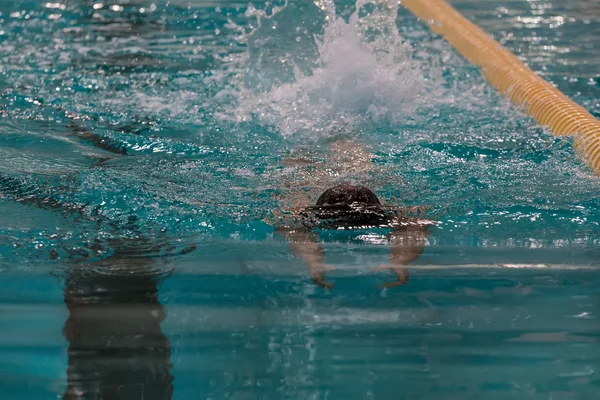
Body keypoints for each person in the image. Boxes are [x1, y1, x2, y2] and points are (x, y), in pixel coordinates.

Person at [274, 140, 434, 289]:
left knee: (301, 162)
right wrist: (400, 262)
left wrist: (313, 262)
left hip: (322, 181)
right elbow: (414, 226)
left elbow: (295, 231)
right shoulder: (301, 202)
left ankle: (313, 140)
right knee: (352, 158)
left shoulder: (300, 204)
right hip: (354, 175)